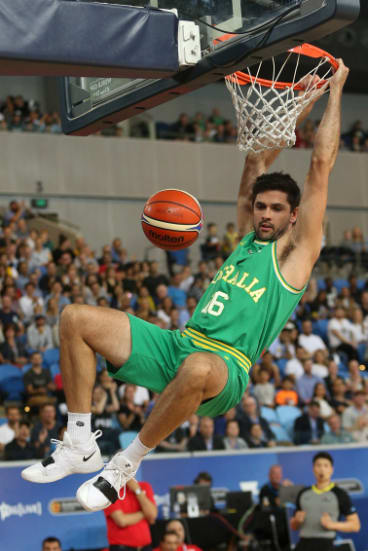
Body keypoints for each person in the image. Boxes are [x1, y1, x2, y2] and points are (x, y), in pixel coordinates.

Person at [21, 61, 349, 514]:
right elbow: (256, 158)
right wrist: (300, 101)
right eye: (261, 206)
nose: (266, 214)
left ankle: (124, 466)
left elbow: (320, 167)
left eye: (276, 208)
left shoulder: (296, 258)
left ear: (294, 216)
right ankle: (79, 441)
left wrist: (333, 96)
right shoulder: (247, 240)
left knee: (196, 367)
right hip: (179, 345)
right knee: (75, 318)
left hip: (225, 370)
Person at [290, 452, 360, 551]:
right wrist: (296, 521)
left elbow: (355, 525)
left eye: (326, 466)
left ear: (331, 470)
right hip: (303, 544)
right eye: (318, 465)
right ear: (313, 469)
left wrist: (332, 525)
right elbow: (293, 526)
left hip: (327, 544)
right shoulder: (303, 493)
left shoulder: (339, 494)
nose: (322, 469)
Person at [104, 478, 157, 551]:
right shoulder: (109, 489)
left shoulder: (144, 486)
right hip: (121, 547)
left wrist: (137, 490)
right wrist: (144, 513)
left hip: (146, 547)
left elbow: (153, 515)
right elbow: (122, 521)